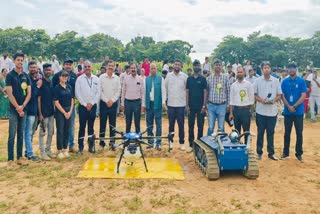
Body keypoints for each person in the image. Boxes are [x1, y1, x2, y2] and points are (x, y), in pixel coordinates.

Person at [6, 52, 31, 166]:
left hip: (23, 109)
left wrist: (23, 107)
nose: (20, 62)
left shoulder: (26, 76)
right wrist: (18, 108)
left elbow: (29, 94)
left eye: (22, 60)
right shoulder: (10, 76)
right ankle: (10, 159)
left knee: (21, 133)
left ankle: (19, 157)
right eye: (18, 60)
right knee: (12, 134)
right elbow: (10, 94)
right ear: (14, 61)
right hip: (13, 109)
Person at [254, 62, 282, 161]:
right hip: (260, 112)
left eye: (268, 67)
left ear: (270, 69)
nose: (266, 69)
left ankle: (271, 153)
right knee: (260, 132)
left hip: (272, 112)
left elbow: (279, 95)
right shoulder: (257, 81)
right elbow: (254, 94)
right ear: (262, 70)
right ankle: (259, 152)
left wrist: (273, 101)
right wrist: (262, 101)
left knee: (271, 133)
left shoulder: (276, 81)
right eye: (265, 68)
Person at [280, 62, 307, 162]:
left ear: (296, 69)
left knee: (299, 133)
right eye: (290, 68)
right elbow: (282, 95)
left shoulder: (301, 81)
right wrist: (288, 106)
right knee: (287, 133)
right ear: (288, 69)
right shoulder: (284, 81)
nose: (292, 70)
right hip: (287, 112)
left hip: (298, 112)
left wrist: (294, 106)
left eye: (293, 68)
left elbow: (303, 95)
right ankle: (285, 152)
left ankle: (299, 154)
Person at [52, 58, 77, 152]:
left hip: (70, 106)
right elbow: (53, 91)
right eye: (66, 64)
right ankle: (60, 149)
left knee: (70, 126)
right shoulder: (56, 76)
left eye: (70, 64)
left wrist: (71, 108)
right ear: (63, 65)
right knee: (61, 128)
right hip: (59, 106)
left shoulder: (74, 76)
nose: (68, 66)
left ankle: (70, 145)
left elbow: (74, 94)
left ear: (72, 66)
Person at [75, 61, 100, 154]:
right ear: (83, 68)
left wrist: (92, 103)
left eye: (89, 66)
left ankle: (91, 146)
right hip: (83, 107)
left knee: (91, 127)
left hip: (93, 107)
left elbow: (98, 93)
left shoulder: (96, 79)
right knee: (82, 127)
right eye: (85, 67)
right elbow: (77, 93)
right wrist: (85, 104)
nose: (87, 68)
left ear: (91, 67)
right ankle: (80, 148)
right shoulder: (79, 79)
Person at [165, 59, 188, 150]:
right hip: (171, 105)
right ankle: (170, 142)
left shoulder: (184, 77)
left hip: (181, 105)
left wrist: (186, 104)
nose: (177, 66)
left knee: (181, 125)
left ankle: (182, 142)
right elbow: (166, 89)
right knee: (171, 125)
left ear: (181, 66)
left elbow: (186, 90)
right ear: (173, 65)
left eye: (178, 64)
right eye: (175, 64)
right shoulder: (168, 76)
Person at [143, 63, 166, 150]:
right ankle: (150, 142)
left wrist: (163, 102)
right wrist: (144, 105)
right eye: (151, 68)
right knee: (149, 124)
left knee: (158, 124)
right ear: (149, 69)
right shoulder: (146, 79)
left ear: (156, 69)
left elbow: (163, 91)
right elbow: (144, 93)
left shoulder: (160, 79)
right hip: (149, 105)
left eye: (154, 68)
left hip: (158, 105)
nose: (153, 70)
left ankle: (158, 143)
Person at [99, 60, 121, 150]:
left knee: (112, 125)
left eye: (112, 66)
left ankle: (112, 142)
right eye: (109, 66)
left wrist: (112, 100)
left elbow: (118, 91)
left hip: (113, 104)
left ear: (114, 67)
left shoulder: (117, 78)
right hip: (103, 104)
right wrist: (106, 100)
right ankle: (101, 143)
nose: (110, 67)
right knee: (102, 124)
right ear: (106, 67)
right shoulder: (101, 77)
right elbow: (99, 91)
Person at [186, 60, 207, 152]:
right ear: (193, 67)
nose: (196, 67)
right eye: (195, 65)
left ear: (200, 67)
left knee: (200, 125)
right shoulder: (189, 79)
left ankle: (199, 145)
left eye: (198, 65)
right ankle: (191, 144)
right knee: (191, 125)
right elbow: (187, 92)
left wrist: (204, 105)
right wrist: (187, 105)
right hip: (191, 106)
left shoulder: (203, 79)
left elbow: (205, 92)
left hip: (200, 107)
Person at [229, 66, 254, 143]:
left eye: (241, 72)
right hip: (236, 111)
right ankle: (238, 147)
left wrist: (251, 111)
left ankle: (247, 148)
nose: (239, 74)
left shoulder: (249, 84)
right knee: (237, 131)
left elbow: (251, 99)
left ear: (244, 73)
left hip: (246, 111)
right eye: (238, 72)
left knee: (246, 131)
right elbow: (231, 100)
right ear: (236, 73)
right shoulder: (233, 85)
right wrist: (231, 113)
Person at [24, 61, 42, 162]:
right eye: (31, 67)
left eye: (35, 67)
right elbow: (31, 95)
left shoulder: (37, 79)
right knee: (28, 132)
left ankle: (27, 151)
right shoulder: (26, 79)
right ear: (28, 68)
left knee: (31, 132)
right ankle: (30, 154)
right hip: (29, 110)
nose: (33, 69)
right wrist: (38, 86)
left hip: (35, 111)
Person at [206, 59, 230, 135]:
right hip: (211, 106)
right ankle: (209, 145)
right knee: (210, 127)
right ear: (214, 66)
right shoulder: (209, 78)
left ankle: (221, 146)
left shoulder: (225, 78)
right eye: (216, 65)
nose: (218, 66)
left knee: (221, 127)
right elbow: (207, 91)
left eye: (219, 65)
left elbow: (228, 92)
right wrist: (206, 104)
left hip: (222, 106)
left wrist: (228, 105)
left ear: (221, 66)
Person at [38, 63, 55, 160]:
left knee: (51, 132)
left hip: (51, 112)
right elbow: (39, 99)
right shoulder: (41, 82)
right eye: (46, 70)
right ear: (43, 71)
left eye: (49, 70)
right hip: (43, 113)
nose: (48, 71)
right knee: (42, 133)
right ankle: (42, 152)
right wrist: (40, 114)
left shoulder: (51, 82)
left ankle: (48, 149)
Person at [121, 63, 144, 133]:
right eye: (131, 68)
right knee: (128, 122)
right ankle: (127, 140)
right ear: (129, 69)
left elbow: (142, 93)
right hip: (128, 102)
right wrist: (122, 104)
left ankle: (138, 139)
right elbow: (123, 92)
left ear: (137, 69)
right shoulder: (126, 78)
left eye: (134, 68)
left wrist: (143, 105)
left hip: (137, 102)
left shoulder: (140, 79)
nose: (133, 69)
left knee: (137, 122)